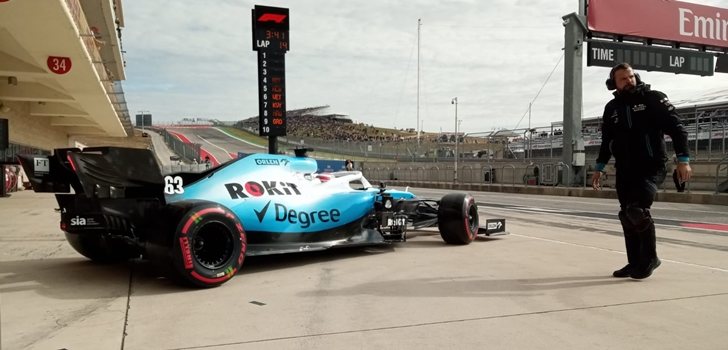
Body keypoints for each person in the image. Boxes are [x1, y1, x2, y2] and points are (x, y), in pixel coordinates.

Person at [591, 63, 692, 280]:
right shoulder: (612, 108)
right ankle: (634, 262)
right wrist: (599, 168)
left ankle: (650, 259)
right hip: (625, 168)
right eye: (623, 79)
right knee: (626, 214)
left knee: (638, 211)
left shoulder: (653, 98)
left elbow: (677, 128)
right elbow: (606, 140)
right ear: (613, 84)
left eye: (631, 77)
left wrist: (683, 160)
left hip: (652, 165)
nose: (629, 81)